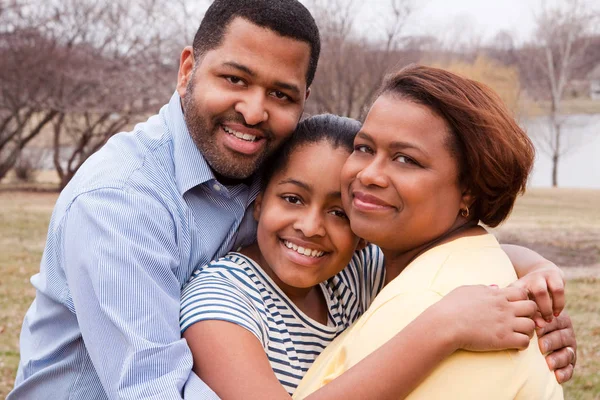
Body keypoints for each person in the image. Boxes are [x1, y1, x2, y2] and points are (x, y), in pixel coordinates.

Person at [9, 0, 575, 398]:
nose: (254, 111)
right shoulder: (120, 204)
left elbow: (415, 252)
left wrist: (535, 280)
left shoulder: (265, 168)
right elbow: (153, 391)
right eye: (234, 79)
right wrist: (440, 330)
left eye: (279, 94)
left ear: (303, 100)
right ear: (188, 69)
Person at [179, 114, 566, 399]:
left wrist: (541, 277)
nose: (311, 227)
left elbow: (490, 251)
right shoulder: (220, 300)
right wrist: (443, 327)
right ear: (259, 202)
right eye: (293, 199)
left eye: (339, 213)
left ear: (363, 233)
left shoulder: (351, 273)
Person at [293, 65, 570, 399]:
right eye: (364, 148)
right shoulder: (480, 267)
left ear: (468, 190)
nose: (369, 174)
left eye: (406, 160)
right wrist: (540, 268)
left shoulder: (424, 308)